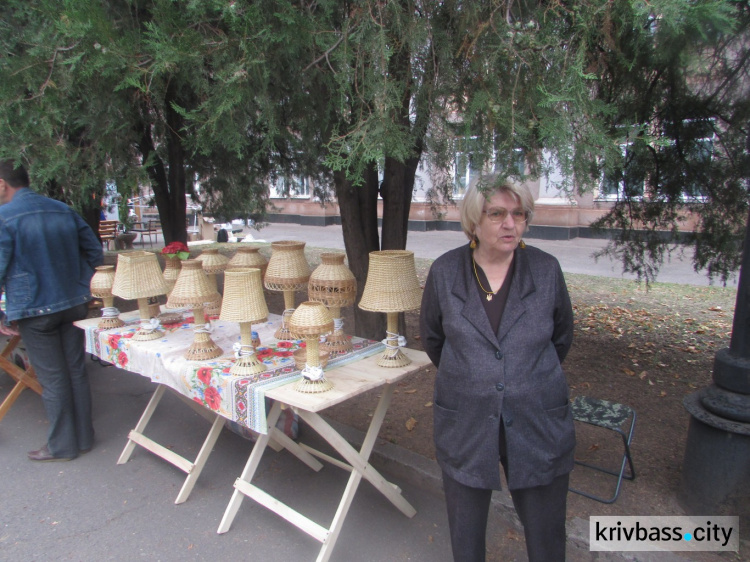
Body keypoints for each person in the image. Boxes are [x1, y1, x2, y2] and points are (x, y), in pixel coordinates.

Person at [419, 174, 575, 561]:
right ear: (473, 221)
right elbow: (433, 340)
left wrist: (523, 377)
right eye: (497, 214)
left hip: (538, 420)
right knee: (466, 537)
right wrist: (479, 376)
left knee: (546, 536)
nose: (510, 224)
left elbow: (561, 339)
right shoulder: (444, 272)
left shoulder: (545, 270)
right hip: (466, 422)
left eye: (518, 214)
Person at [0, 159, 103, 461]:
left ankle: (62, 446)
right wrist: (80, 283)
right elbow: (95, 252)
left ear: (2, 184)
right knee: (75, 371)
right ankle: (84, 438)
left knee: (54, 378)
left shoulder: (3, 217)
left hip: (35, 309)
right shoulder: (62, 209)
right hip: (73, 303)